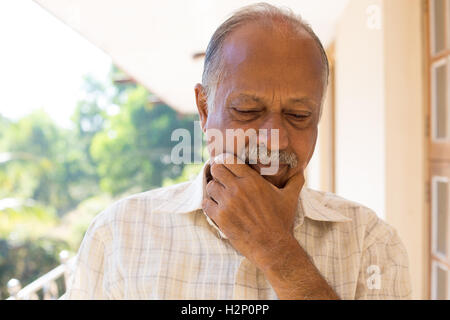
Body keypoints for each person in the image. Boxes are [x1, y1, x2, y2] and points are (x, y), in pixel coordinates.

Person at [64, 3, 411, 300]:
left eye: (298, 115)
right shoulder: (119, 235)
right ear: (203, 108)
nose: (274, 140)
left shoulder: (371, 243)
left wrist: (277, 250)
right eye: (246, 110)